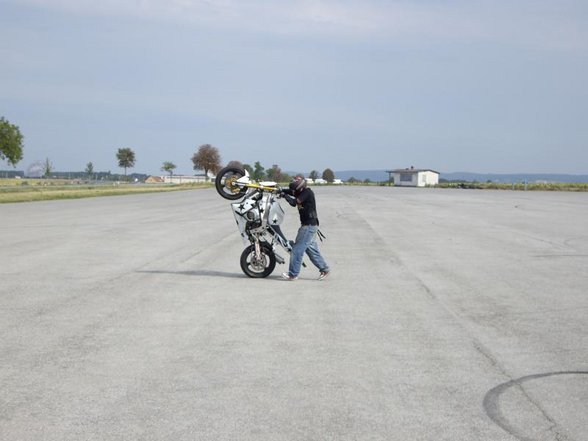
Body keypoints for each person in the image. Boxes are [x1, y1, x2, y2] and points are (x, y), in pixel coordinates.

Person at [280, 175, 330, 281]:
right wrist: (279, 190)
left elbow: (294, 202)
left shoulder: (307, 192)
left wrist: (284, 195)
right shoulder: (299, 192)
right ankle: (324, 269)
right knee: (311, 250)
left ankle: (293, 274)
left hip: (308, 226)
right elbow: (289, 191)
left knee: (296, 250)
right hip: (310, 226)